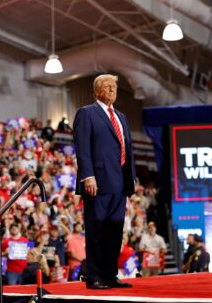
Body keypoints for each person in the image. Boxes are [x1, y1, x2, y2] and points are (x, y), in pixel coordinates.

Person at [73, 74, 136, 289]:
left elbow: (127, 150)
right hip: (97, 183)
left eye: (114, 87)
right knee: (97, 231)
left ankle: (110, 275)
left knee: (114, 232)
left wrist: (131, 178)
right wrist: (87, 176)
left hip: (120, 184)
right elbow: (82, 147)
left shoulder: (122, 117)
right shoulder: (87, 113)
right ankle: (94, 276)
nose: (112, 90)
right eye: (108, 86)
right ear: (97, 90)